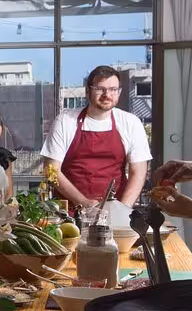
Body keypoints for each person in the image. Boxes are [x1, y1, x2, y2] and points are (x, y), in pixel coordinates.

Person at [41, 65, 151, 208]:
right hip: (69, 212)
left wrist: (123, 210)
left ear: (119, 92)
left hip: (115, 209)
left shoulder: (131, 123)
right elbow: (52, 170)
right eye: (100, 89)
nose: (107, 94)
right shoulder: (65, 121)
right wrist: (83, 202)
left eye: (113, 89)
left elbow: (139, 172)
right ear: (88, 91)